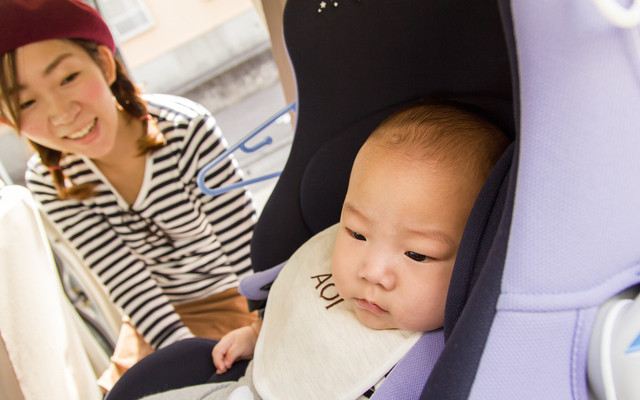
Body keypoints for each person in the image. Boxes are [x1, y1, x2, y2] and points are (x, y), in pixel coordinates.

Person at [106, 101, 510, 399]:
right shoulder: (328, 257)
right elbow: (296, 318)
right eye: (356, 234)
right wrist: (258, 337)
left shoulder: (436, 359)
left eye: (417, 255)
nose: (373, 271)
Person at [0, 0, 258, 391]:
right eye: (27, 102)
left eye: (68, 77)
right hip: (156, 317)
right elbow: (129, 284)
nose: (60, 111)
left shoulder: (186, 130)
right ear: (8, 118)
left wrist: (263, 322)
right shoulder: (49, 179)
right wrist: (184, 365)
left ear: (104, 63)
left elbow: (248, 255)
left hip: (236, 296)